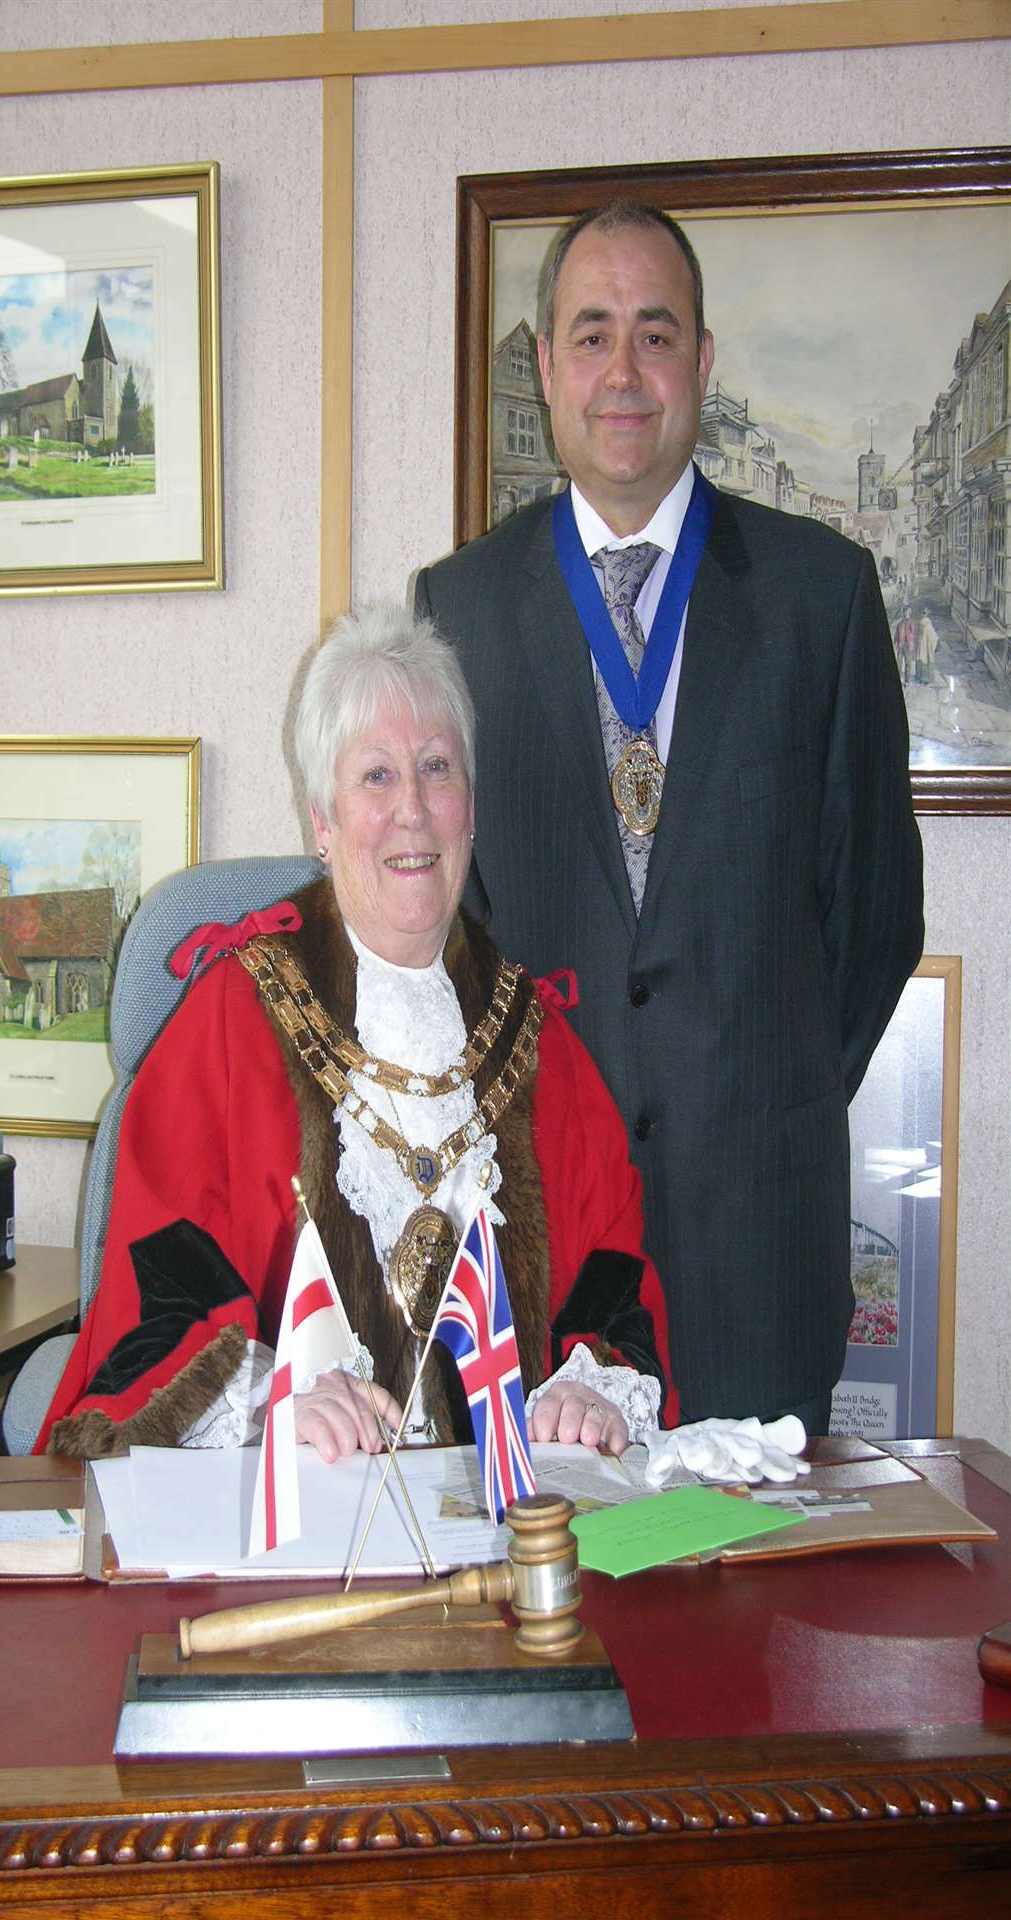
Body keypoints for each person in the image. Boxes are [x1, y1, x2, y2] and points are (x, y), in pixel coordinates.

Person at [415, 200, 924, 1433]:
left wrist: (765, 1091)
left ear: (703, 362)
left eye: (657, 332)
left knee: (755, 1616)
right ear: (545, 363)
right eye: (591, 335)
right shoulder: (460, 609)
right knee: (559, 1614)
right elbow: (450, 928)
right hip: (547, 1254)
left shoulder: (824, 596)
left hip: (762, 1242)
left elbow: (877, 919)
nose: (624, 371)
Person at [35, 606, 682, 1464]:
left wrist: (588, 1386)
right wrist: (274, 1399)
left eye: (437, 769)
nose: (412, 810)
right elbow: (155, 1296)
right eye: (376, 777)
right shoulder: (231, 1022)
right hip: (300, 1527)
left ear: (471, 808)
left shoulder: (538, 1041)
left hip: (506, 1532)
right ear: (322, 820)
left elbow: (612, 1272)